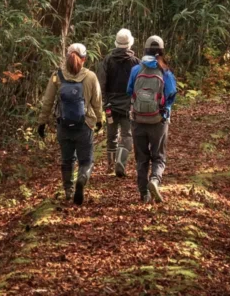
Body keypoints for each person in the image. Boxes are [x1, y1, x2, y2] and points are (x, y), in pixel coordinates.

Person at [37, 42, 103, 206]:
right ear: (85, 59)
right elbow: (97, 102)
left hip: (63, 126)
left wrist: (42, 122)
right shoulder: (90, 77)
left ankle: (68, 191)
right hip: (85, 125)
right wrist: (100, 120)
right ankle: (81, 179)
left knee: (67, 160)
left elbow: (48, 101)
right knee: (86, 160)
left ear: (66, 58)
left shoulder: (56, 76)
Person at [127, 35, 177, 203]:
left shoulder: (136, 69)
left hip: (138, 120)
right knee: (159, 156)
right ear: (161, 51)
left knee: (141, 158)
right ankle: (154, 180)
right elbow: (171, 94)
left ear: (146, 50)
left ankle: (143, 194)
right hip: (158, 120)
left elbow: (129, 91)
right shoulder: (165, 71)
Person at [100, 28, 139, 178]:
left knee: (111, 135)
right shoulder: (136, 62)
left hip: (110, 104)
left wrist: (105, 102)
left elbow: (101, 83)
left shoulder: (108, 60)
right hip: (129, 105)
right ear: (129, 44)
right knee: (127, 135)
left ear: (116, 43)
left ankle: (110, 167)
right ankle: (120, 163)